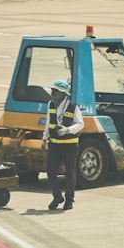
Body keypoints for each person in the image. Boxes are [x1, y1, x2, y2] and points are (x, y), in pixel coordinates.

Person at [42, 79, 84, 211]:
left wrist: (67, 130)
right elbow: (48, 123)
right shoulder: (51, 104)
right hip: (54, 145)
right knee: (50, 171)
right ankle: (57, 196)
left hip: (69, 146)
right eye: (52, 90)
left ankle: (69, 200)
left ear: (63, 93)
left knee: (70, 173)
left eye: (55, 91)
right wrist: (44, 139)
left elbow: (80, 124)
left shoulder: (73, 106)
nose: (52, 93)